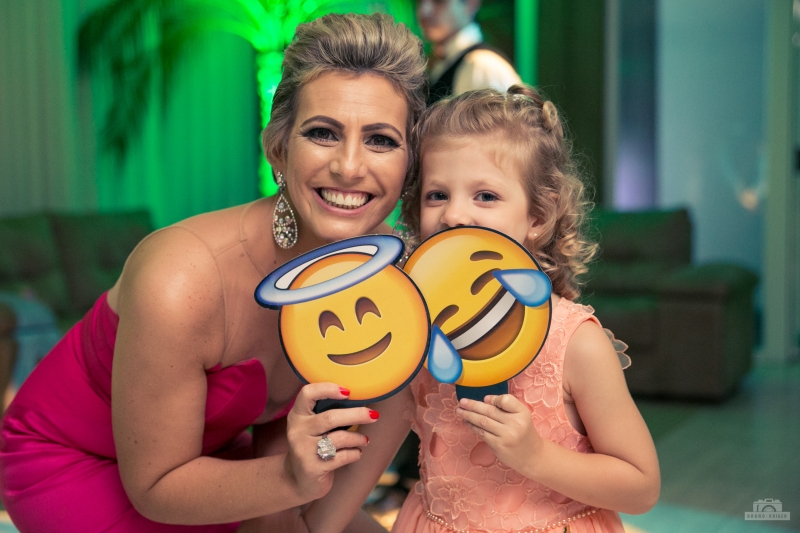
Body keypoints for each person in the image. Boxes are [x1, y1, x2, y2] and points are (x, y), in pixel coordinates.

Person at [0, 13, 427, 533]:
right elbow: (156, 486)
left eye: (381, 140)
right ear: (278, 148)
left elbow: (326, 474)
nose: (350, 167)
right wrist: (289, 481)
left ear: (409, 164)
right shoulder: (181, 278)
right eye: (322, 133)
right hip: (82, 464)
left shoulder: (396, 278)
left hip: (220, 458)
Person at [391, 86, 660, 532]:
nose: (454, 215)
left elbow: (642, 487)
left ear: (537, 216)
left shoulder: (576, 344)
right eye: (437, 195)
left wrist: (536, 456)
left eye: (485, 196)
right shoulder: (418, 331)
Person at [416, 0, 521, 105]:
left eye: (439, 1)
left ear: (470, 4)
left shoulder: (482, 65)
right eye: (419, 1)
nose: (423, 11)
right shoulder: (443, 62)